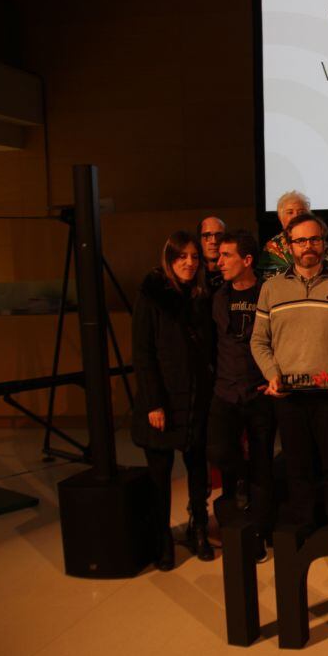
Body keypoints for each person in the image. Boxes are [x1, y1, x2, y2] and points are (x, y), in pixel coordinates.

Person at [250, 213, 328, 570]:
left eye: (314, 240)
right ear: (289, 245)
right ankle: (304, 530)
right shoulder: (271, 289)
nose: (308, 246)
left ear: (323, 243)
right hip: (290, 397)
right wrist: (272, 375)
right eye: (300, 240)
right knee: (298, 469)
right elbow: (259, 341)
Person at [131, 231, 215, 571]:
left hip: (196, 397)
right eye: (182, 257)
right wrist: (154, 403)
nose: (190, 263)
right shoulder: (151, 296)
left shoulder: (200, 296)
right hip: (162, 400)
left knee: (197, 468)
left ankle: (198, 528)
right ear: (169, 259)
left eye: (194, 257)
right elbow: (142, 352)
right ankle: (162, 539)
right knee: (160, 474)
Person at [206, 230, 277, 563]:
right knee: (221, 454)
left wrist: (273, 377)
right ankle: (233, 516)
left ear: (247, 261)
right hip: (225, 391)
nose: (219, 262)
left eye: (226, 256)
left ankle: (259, 534)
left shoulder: (268, 293)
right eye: (219, 256)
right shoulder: (217, 296)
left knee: (262, 465)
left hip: (259, 391)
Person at [257, 190, 328, 279]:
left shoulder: (321, 244)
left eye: (301, 212)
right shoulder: (272, 248)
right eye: (290, 212)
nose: (296, 216)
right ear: (281, 218)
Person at [198, 216, 226, 292]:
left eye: (219, 235)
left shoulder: (235, 273)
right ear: (199, 240)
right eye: (207, 235)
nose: (214, 241)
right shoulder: (193, 274)